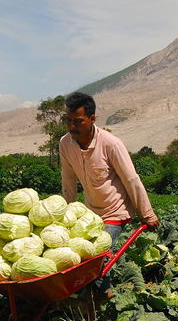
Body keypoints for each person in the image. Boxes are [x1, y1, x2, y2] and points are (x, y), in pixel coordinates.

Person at [59, 92, 160, 297]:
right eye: (68, 121)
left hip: (115, 210)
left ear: (92, 119)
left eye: (78, 122)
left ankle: (92, 301)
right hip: (90, 212)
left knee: (99, 254)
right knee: (80, 255)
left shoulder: (111, 144)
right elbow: (68, 180)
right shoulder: (65, 144)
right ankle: (104, 293)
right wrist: (65, 217)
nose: (72, 127)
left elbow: (132, 179)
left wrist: (147, 214)